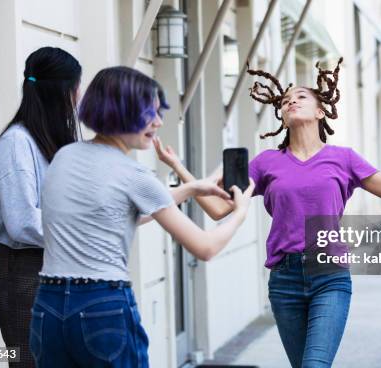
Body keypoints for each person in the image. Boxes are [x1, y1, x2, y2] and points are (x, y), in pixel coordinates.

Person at [156, 58, 381, 367]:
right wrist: (181, 170)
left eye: (301, 97)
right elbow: (217, 209)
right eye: (287, 101)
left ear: (321, 111)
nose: (291, 102)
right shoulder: (266, 163)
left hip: (329, 277)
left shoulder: (343, 159)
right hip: (284, 280)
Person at [30, 66, 254, 367]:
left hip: (48, 306)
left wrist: (188, 190)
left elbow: (110, 217)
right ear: (122, 112)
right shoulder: (135, 175)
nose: (158, 122)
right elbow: (205, 247)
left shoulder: (64, 156)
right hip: (102, 306)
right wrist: (240, 213)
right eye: (150, 113)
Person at [0, 46, 82, 367]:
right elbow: (23, 221)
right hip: (25, 274)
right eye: (75, 89)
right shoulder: (15, 144)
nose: (78, 99)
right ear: (60, 92)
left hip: (57, 268)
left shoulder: (51, 141)